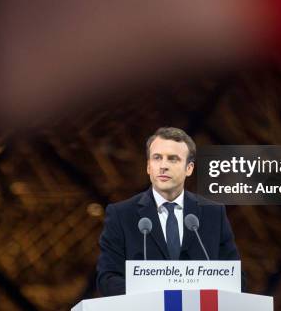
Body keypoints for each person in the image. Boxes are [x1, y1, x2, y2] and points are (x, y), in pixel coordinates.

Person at [96, 127, 245, 297]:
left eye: (173, 159)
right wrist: (151, 298)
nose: (163, 166)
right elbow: (107, 278)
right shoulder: (121, 215)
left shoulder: (213, 214)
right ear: (148, 167)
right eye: (157, 158)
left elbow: (237, 279)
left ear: (189, 168)